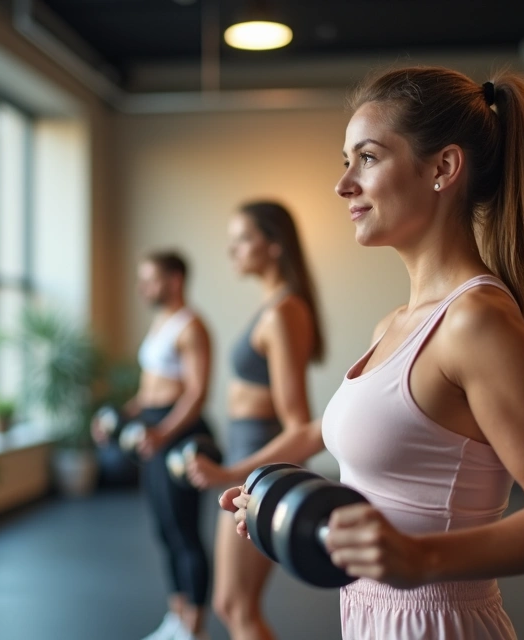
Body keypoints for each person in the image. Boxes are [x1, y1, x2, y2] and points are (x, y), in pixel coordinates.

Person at [219, 67, 524, 639]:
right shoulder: (392, 325)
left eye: (367, 158)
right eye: (345, 161)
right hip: (372, 619)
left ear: (444, 168)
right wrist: (283, 515)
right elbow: (389, 495)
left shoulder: (476, 324)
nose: (344, 184)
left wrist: (418, 558)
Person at [186, 201, 325, 640]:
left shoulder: (284, 312)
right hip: (246, 460)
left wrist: (232, 473)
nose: (233, 249)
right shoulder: (274, 307)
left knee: (237, 606)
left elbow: (300, 425)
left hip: (256, 468)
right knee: (231, 603)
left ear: (275, 245)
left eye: (243, 238)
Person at [92, 251, 214, 640]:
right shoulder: (161, 323)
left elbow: (196, 393)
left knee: (184, 532)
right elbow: (149, 393)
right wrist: (117, 417)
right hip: (152, 432)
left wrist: (162, 433)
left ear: (174, 280)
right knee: (164, 530)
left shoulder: (191, 326)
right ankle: (177, 617)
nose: (142, 287)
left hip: (179, 435)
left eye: (150, 279)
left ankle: (195, 628)